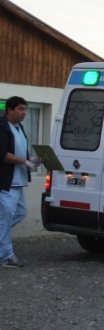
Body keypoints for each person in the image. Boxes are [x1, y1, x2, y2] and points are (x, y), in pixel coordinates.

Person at [0, 96, 41, 269]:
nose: (24, 113)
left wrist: (33, 159)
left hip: (18, 181)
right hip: (6, 182)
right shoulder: (2, 127)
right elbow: (3, 155)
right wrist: (25, 162)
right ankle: (6, 256)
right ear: (9, 110)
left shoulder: (20, 127)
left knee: (19, 213)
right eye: (21, 109)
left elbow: (20, 152)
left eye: (25, 109)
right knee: (5, 219)